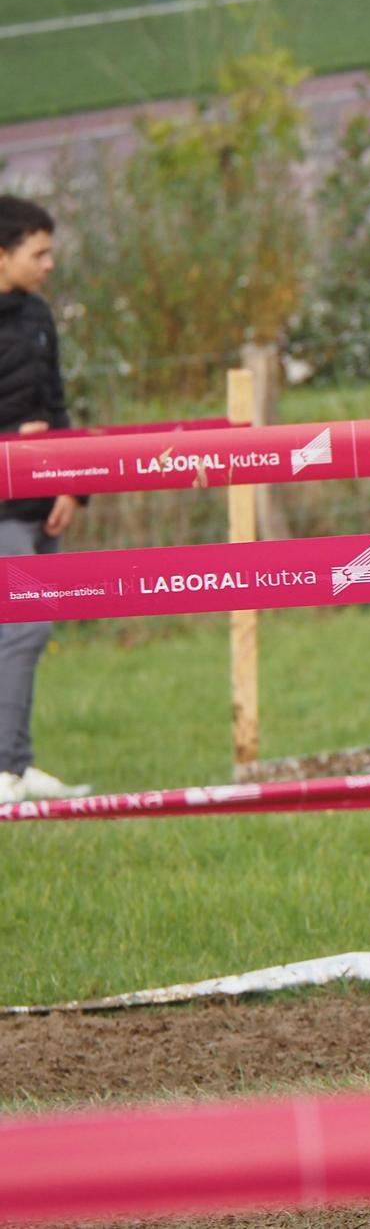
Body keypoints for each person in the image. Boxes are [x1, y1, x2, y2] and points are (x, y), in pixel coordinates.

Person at [0, 196, 89, 804]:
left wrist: (73, 485)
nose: (50, 263)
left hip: (43, 500)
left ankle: (18, 765)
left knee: (31, 628)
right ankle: (5, 769)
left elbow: (56, 406)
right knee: (25, 627)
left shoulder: (38, 316)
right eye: (40, 253)